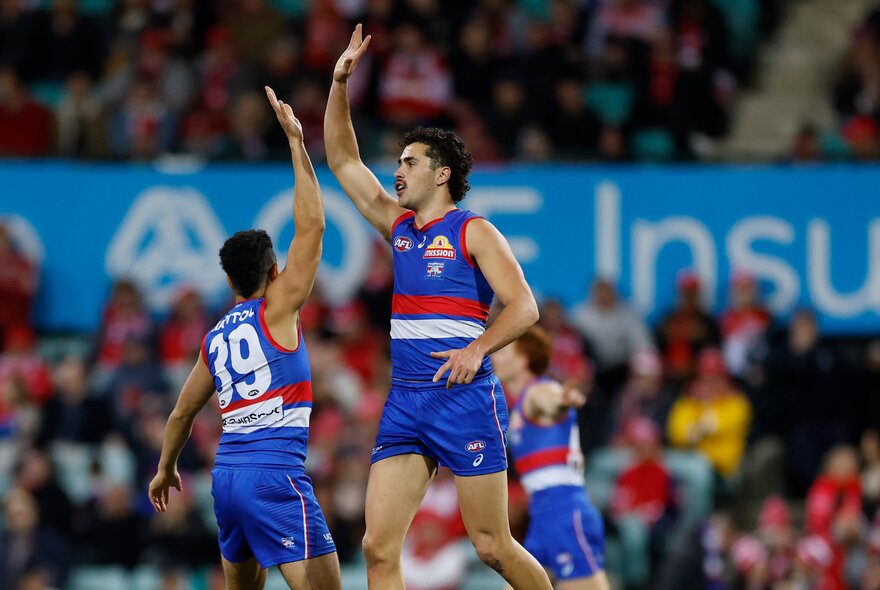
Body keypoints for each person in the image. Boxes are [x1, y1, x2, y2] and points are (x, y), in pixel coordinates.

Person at [324, 25, 551, 590]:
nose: (397, 170)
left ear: (441, 173)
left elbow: (524, 308)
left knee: (493, 547)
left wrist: (478, 349)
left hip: (463, 399)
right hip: (406, 400)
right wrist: (339, 82)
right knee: (377, 548)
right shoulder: (397, 227)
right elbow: (343, 161)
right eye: (398, 161)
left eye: (410, 161)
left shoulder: (474, 231)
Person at [148, 86, 340, 589]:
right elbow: (314, 226)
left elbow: (181, 413)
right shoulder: (278, 307)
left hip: (226, 478)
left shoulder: (214, 338)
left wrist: (166, 468)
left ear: (230, 282)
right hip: (275, 471)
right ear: (273, 271)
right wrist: (298, 145)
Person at [492, 326, 609, 590]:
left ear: (523, 360)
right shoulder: (518, 406)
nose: (494, 356)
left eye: (503, 350)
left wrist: (562, 400)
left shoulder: (538, 391)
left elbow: (549, 400)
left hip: (565, 513)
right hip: (542, 517)